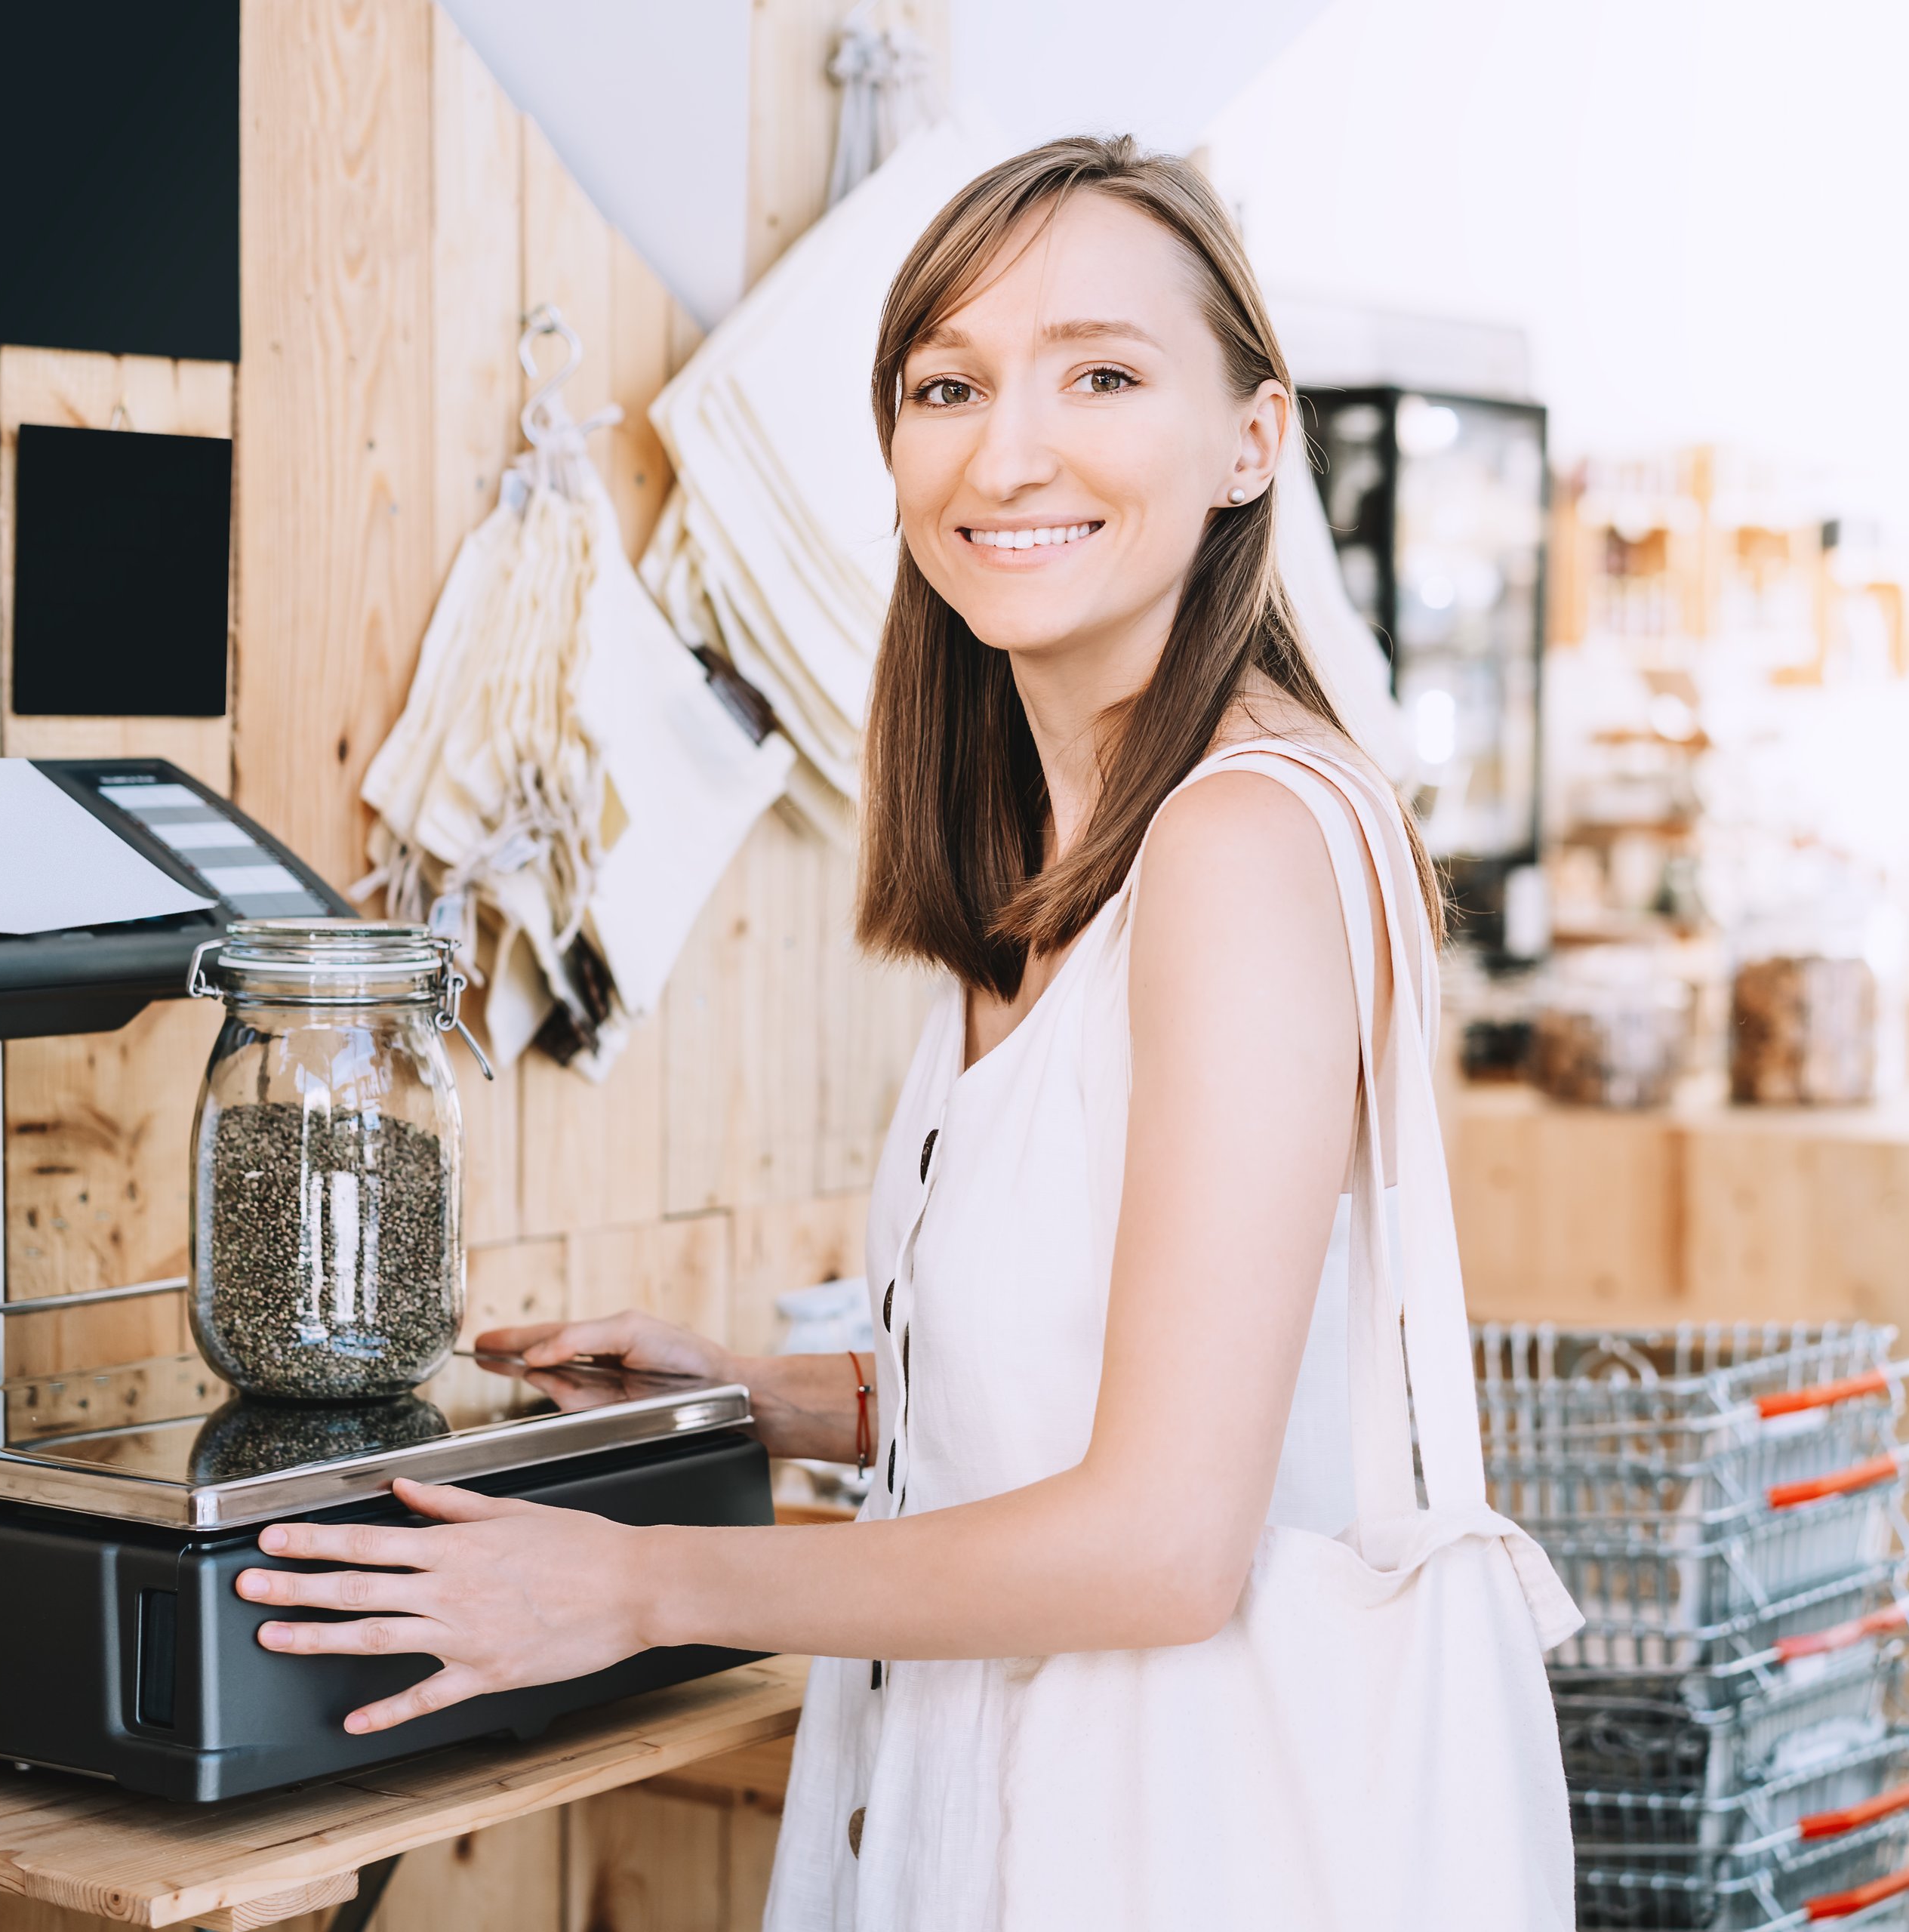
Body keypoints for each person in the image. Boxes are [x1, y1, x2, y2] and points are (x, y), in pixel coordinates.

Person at [233, 134, 1581, 1929]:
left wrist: (641, 1581)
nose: (1006, 451)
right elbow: (1128, 1366)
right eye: (948, 385)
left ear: (1254, 441)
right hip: (993, 1816)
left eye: (1101, 373)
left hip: (1176, 1853)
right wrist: (768, 1396)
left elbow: (1165, 1539)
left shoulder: (1243, 843)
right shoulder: (1059, 853)